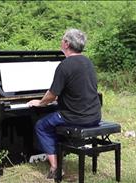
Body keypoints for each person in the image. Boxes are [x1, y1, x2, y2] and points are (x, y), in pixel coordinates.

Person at [27, 28, 101, 179]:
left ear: (66, 44)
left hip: (75, 117)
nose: (61, 41)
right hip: (95, 115)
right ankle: (59, 152)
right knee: (53, 119)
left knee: (41, 125)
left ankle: (55, 167)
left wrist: (39, 102)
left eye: (62, 39)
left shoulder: (65, 65)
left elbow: (51, 95)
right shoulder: (88, 62)